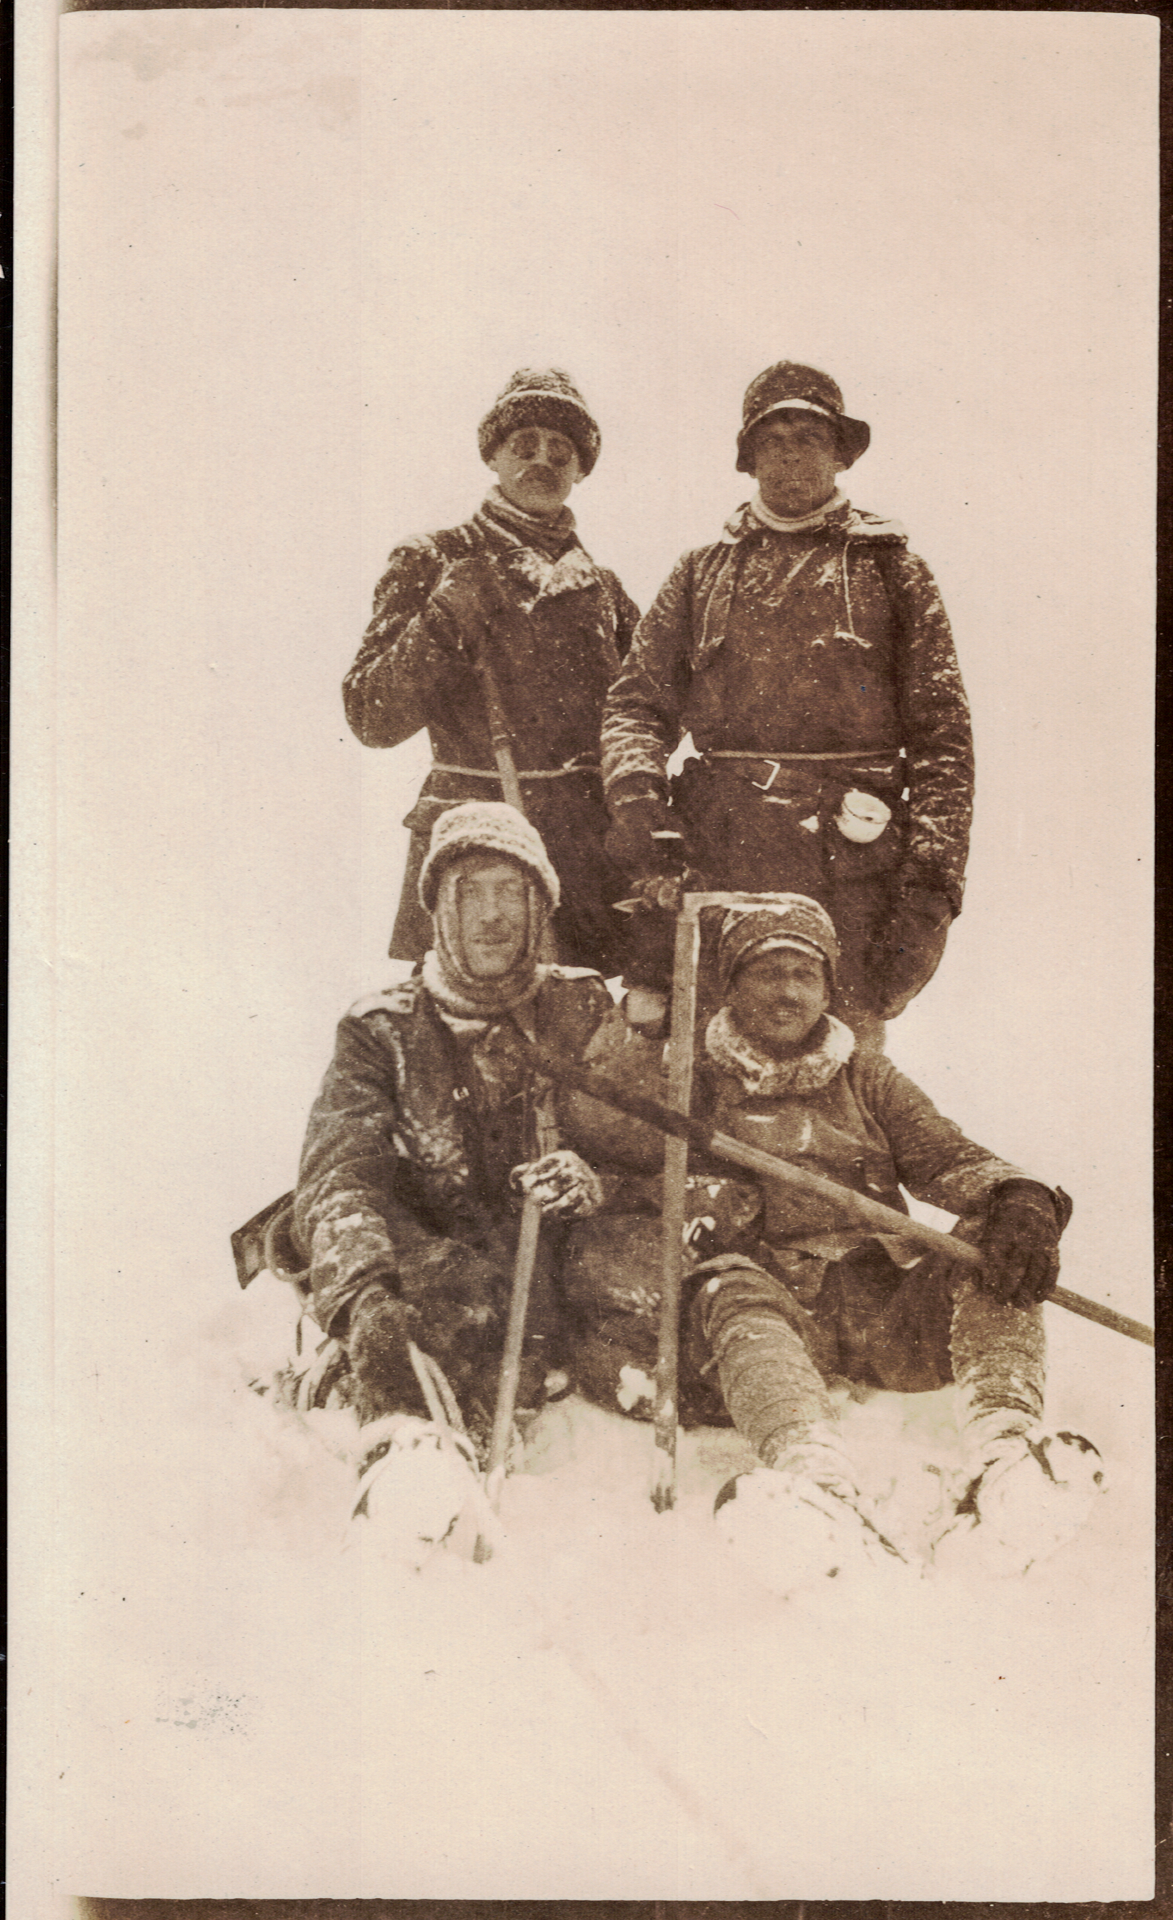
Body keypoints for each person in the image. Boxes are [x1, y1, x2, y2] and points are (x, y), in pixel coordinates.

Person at [557, 894, 1104, 1589]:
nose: (788, 990)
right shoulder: (690, 1076)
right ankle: (814, 1481)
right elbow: (617, 1152)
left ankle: (1005, 1458)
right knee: (731, 1283)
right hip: (767, 1319)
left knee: (989, 1249)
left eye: (804, 974)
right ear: (730, 984)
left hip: (882, 1314)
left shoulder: (865, 1077)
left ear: (826, 988)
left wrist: (1019, 1200)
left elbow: (949, 1159)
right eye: (767, 971)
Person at [232, 802, 650, 1555]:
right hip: (424, 1238)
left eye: (508, 893)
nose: (490, 916)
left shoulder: (581, 1004)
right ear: (436, 911)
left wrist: (595, 1179)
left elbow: (642, 1147)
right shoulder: (379, 1027)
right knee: (429, 1288)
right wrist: (363, 1296)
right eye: (468, 893)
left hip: (543, 1249)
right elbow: (339, 1179)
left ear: (540, 906)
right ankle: (405, 1441)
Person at [600, 360, 974, 1047]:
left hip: (849, 872)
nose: (792, 453)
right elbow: (635, 704)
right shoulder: (698, 574)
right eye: (774, 439)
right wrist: (636, 800)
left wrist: (930, 888)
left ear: (839, 452)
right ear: (748, 459)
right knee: (681, 1054)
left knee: (841, 1066)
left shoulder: (892, 571)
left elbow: (942, 738)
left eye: (810, 436)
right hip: (718, 851)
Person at [345, 368, 640, 976]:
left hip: (579, 860)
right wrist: (443, 618)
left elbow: (650, 712)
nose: (542, 462)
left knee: (578, 1038)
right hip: (472, 845)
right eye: (523, 445)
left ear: (581, 470)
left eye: (562, 452)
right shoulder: (436, 559)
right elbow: (371, 714)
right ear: (494, 456)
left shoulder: (603, 591)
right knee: (462, 1035)